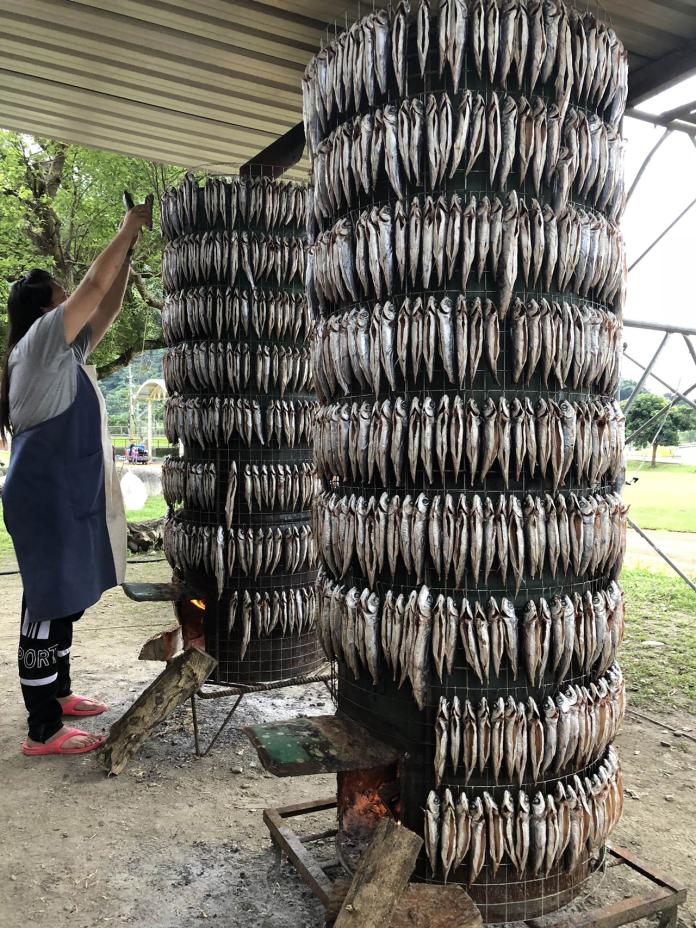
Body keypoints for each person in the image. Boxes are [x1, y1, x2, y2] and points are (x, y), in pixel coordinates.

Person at [1, 199, 152, 757]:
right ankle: (43, 728)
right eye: (63, 295)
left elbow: (105, 305)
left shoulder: (63, 351)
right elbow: (94, 284)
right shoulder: (39, 342)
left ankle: (58, 694)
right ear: (45, 308)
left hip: (62, 496)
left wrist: (129, 254)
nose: (75, 299)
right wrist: (127, 225)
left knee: (63, 597)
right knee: (43, 605)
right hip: (43, 498)